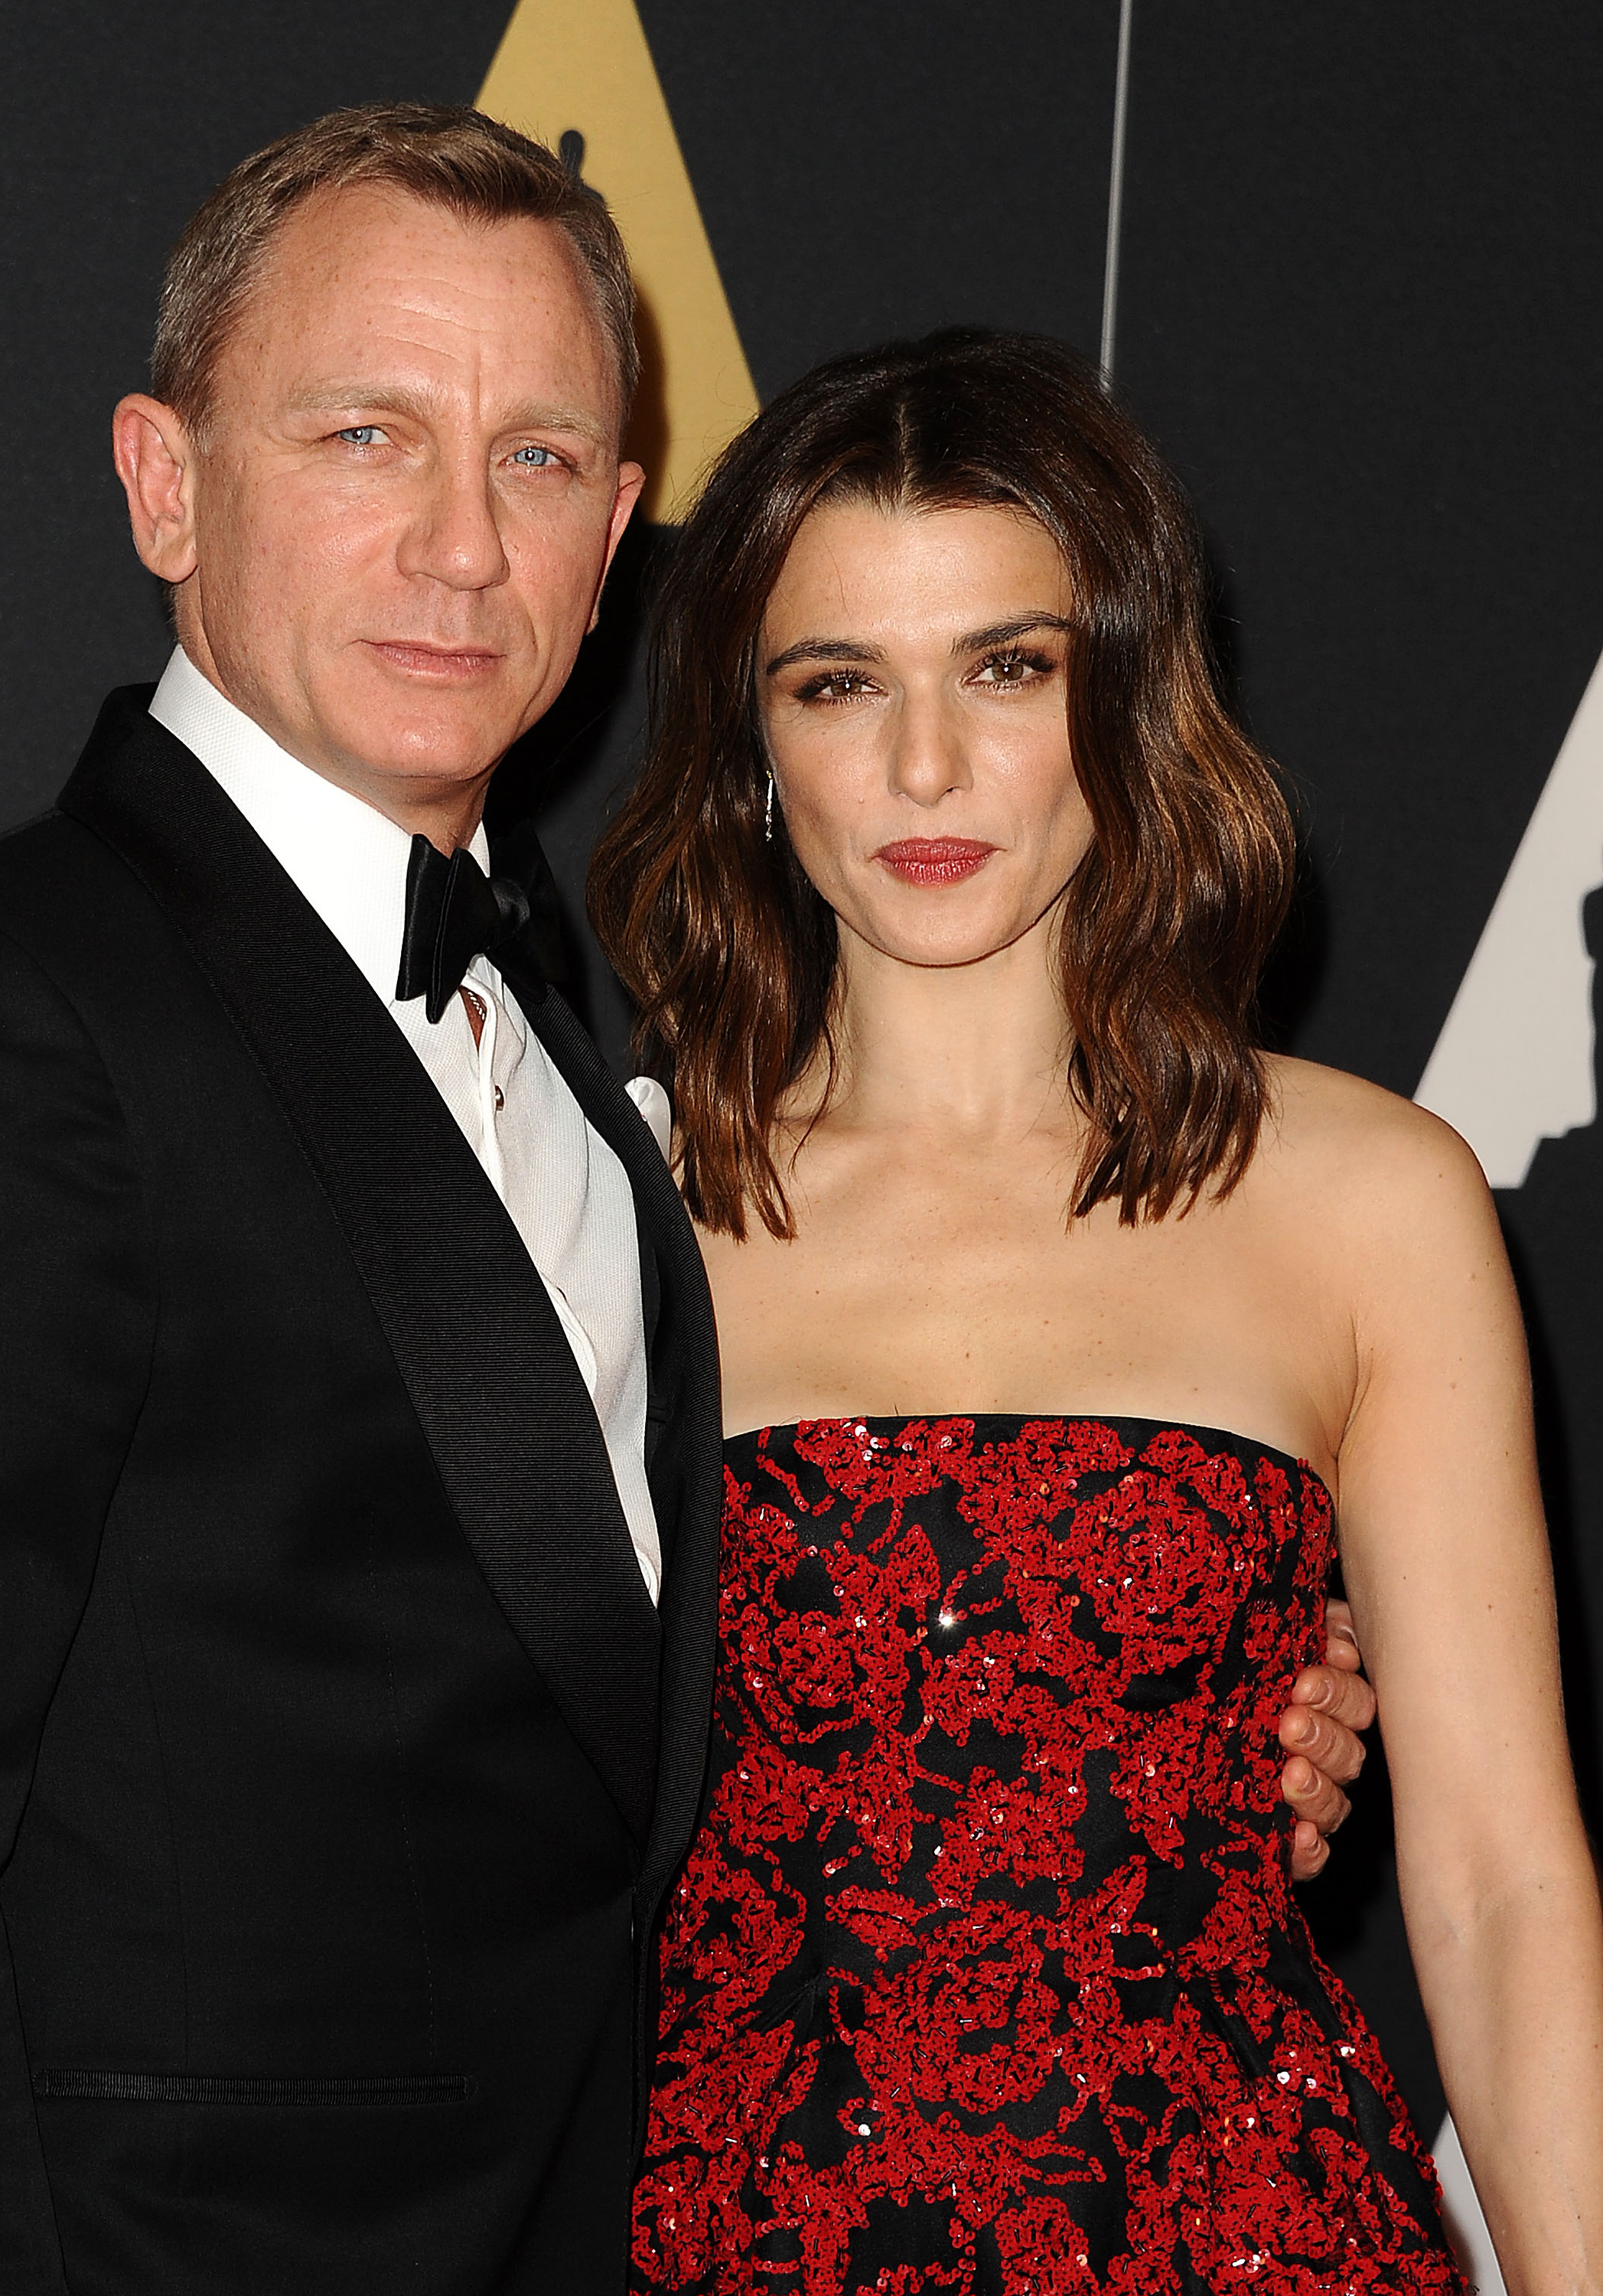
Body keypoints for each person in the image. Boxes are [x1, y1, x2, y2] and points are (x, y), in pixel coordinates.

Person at [0, 108, 1367, 2296]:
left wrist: (1144, 1734)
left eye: (542, 458)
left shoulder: (594, 1076)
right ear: (163, 483)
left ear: (617, 541)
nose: (462, 548)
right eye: (367, 435)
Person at [590, 331, 1603, 2292]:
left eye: (1007, 667)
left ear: (1125, 692)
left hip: (1245, 2233)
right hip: (730, 2242)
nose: (921, 768)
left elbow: (1493, 1883)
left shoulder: (1364, 1200)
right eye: (835, 685)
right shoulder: (606, 1216)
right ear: (748, 742)